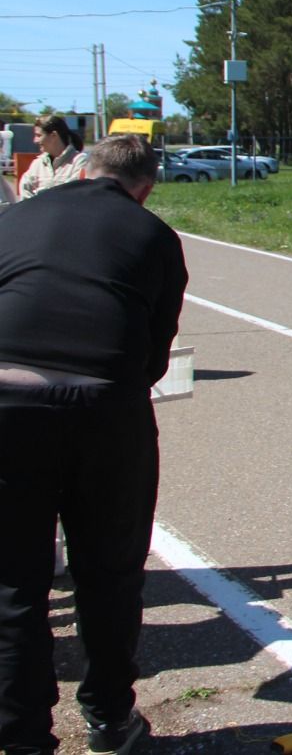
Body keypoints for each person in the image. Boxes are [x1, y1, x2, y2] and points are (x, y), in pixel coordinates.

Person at [0, 134, 188, 755]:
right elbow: (154, 356)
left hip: (6, 402)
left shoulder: (15, 216)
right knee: (109, 575)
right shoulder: (155, 235)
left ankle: (22, 736)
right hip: (105, 406)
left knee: (14, 584)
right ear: (145, 188)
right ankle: (109, 718)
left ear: (80, 170)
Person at [18, 117, 87, 199]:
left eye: (38, 135)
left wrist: (40, 196)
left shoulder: (79, 161)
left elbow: (75, 192)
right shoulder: (37, 164)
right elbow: (25, 193)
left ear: (54, 135)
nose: (35, 140)